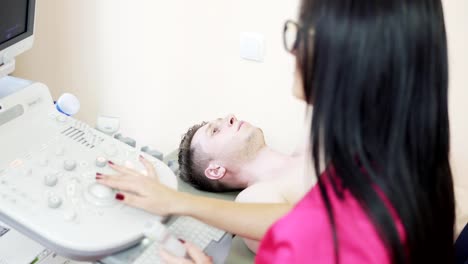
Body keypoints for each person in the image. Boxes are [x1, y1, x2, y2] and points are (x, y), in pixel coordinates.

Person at [97, 0, 455, 263]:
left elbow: (308, 228)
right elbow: (306, 222)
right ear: (215, 170)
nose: (294, 48)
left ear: (344, 58)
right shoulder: (400, 157)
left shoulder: (323, 156)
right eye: (216, 130)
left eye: (299, 34)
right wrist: (178, 201)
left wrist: (179, 202)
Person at [178, 115, 312, 252]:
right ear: (215, 170)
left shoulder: (313, 139)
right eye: (215, 131)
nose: (231, 117)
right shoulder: (253, 198)